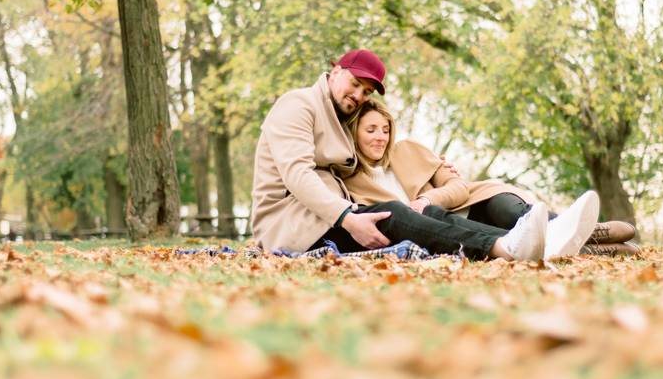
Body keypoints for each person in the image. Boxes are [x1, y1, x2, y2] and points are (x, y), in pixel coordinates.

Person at [250, 49, 599, 261]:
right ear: (335, 70)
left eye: (366, 91)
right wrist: (348, 218)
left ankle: (526, 240)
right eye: (354, 84)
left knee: (428, 213)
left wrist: (436, 168)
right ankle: (505, 247)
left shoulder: (341, 118)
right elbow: (297, 175)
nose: (358, 95)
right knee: (397, 215)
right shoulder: (298, 104)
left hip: (329, 217)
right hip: (296, 226)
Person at [343, 99, 640, 256]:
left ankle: (588, 229)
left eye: (385, 129)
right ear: (354, 132)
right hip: (448, 226)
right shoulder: (352, 180)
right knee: (519, 233)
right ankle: (589, 244)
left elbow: (458, 187)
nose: (381, 137)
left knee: (513, 212)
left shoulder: (408, 150)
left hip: (476, 201)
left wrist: (426, 199)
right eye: (371, 130)